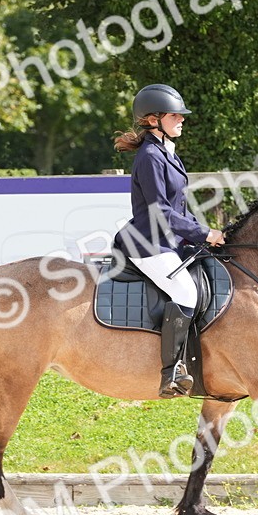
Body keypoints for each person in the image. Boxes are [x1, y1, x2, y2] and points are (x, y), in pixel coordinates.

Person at [111, 84, 225, 398]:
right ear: (153, 119)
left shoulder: (166, 152)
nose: (181, 119)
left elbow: (178, 208)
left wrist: (198, 236)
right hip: (148, 243)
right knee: (186, 292)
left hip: (169, 240)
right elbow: (159, 210)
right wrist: (203, 233)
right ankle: (171, 372)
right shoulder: (149, 156)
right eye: (175, 115)